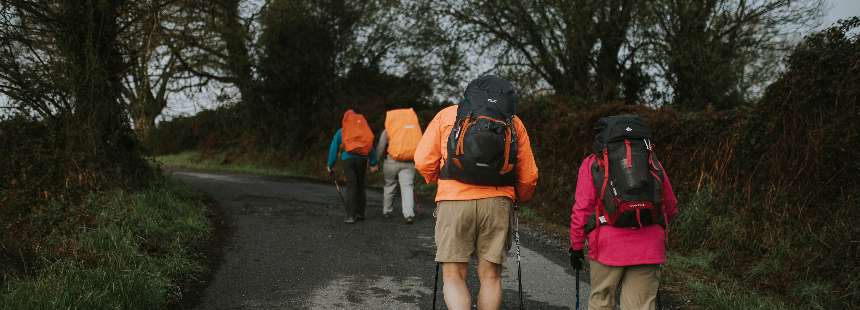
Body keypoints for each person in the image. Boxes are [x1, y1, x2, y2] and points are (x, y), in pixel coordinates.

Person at [414, 75, 538, 310]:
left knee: (453, 276)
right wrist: (518, 197)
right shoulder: (513, 121)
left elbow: (422, 160)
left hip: (454, 200)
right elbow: (529, 176)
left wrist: (435, 179)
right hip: (497, 201)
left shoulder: (448, 114)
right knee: (490, 276)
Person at [568, 115, 679, 310]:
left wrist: (576, 246)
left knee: (601, 303)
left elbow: (582, 208)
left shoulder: (593, 163)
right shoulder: (651, 162)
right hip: (648, 247)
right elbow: (670, 205)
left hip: (607, 246)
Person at [327, 109, 379, 224]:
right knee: (360, 185)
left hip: (348, 159)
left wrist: (330, 164)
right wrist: (374, 162)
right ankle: (360, 213)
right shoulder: (363, 131)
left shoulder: (342, 131)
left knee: (351, 185)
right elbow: (370, 146)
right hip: (362, 159)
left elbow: (334, 148)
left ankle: (350, 216)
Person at [375, 105, 423, 224]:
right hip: (409, 162)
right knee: (407, 187)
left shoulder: (390, 127)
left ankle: (387, 211)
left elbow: (381, 145)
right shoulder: (413, 128)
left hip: (392, 161)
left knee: (390, 185)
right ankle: (408, 215)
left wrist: (375, 160)